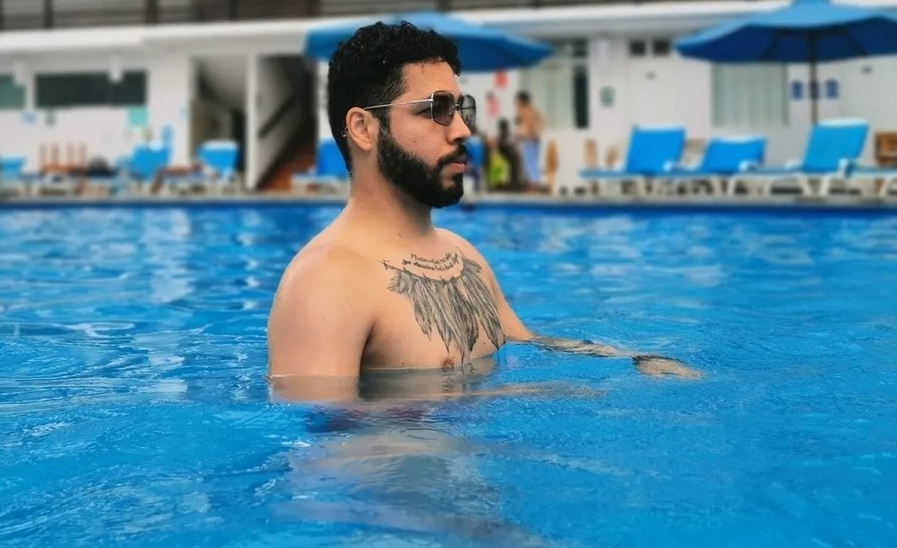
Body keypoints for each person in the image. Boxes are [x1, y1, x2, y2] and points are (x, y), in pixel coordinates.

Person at [267, 21, 699, 400]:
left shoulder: (462, 255)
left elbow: (527, 342)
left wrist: (630, 360)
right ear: (364, 128)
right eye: (435, 110)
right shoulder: (326, 280)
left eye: (460, 109)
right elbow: (326, 445)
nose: (462, 130)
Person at [513, 88, 545, 189]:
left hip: (530, 141)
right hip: (531, 140)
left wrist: (525, 135)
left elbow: (529, 127)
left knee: (530, 164)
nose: (516, 103)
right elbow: (540, 122)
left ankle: (534, 185)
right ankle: (533, 183)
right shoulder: (531, 110)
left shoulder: (526, 111)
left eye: (517, 101)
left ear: (522, 101)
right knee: (530, 163)